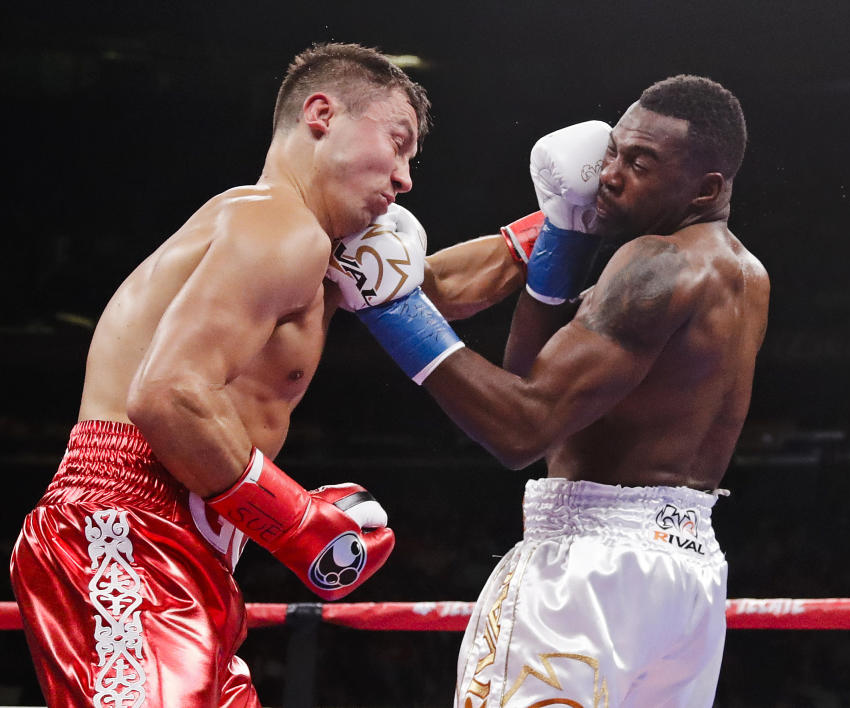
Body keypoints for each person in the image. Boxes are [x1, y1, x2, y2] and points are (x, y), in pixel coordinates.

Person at [10, 40, 526, 707]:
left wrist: (573, 220)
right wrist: (294, 520)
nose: (405, 178)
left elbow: (434, 291)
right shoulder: (278, 227)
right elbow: (167, 395)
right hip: (128, 521)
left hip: (192, 543)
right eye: (397, 143)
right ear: (321, 114)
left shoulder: (311, 252)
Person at [329, 75, 768, 706]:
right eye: (613, 151)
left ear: (705, 188)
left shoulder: (654, 262)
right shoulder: (743, 272)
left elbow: (520, 430)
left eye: (639, 164)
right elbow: (537, 381)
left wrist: (389, 307)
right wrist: (562, 236)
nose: (609, 175)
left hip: (590, 566)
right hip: (688, 574)